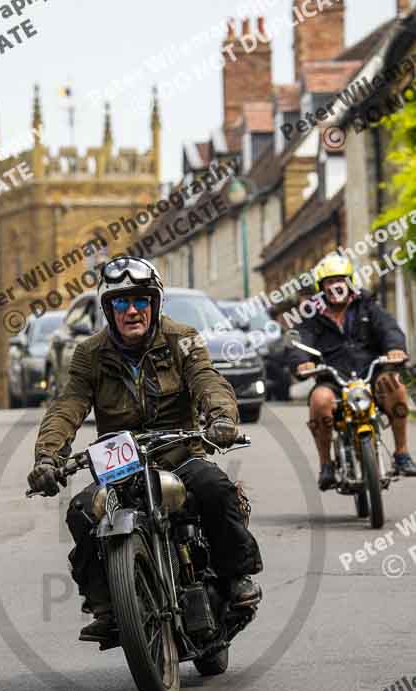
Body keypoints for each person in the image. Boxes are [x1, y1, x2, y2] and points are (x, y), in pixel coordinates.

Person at [28, 256, 263, 642]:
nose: (132, 310)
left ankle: (235, 576)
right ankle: (108, 605)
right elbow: (68, 405)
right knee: (83, 511)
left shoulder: (182, 338)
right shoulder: (89, 353)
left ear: (154, 303)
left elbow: (207, 379)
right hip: (121, 466)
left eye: (140, 300)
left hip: (180, 455)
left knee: (215, 487)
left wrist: (220, 418)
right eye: (121, 303)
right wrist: (47, 457)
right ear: (109, 309)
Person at [288, 253, 416, 490]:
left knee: (396, 385)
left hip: (371, 374)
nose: (336, 286)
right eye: (329, 282)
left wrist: (396, 348)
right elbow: (300, 341)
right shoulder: (312, 315)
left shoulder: (368, 306)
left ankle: (401, 453)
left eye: (341, 280)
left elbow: (389, 329)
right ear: (321, 287)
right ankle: (326, 465)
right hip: (333, 378)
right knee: (319, 400)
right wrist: (302, 362)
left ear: (349, 282)